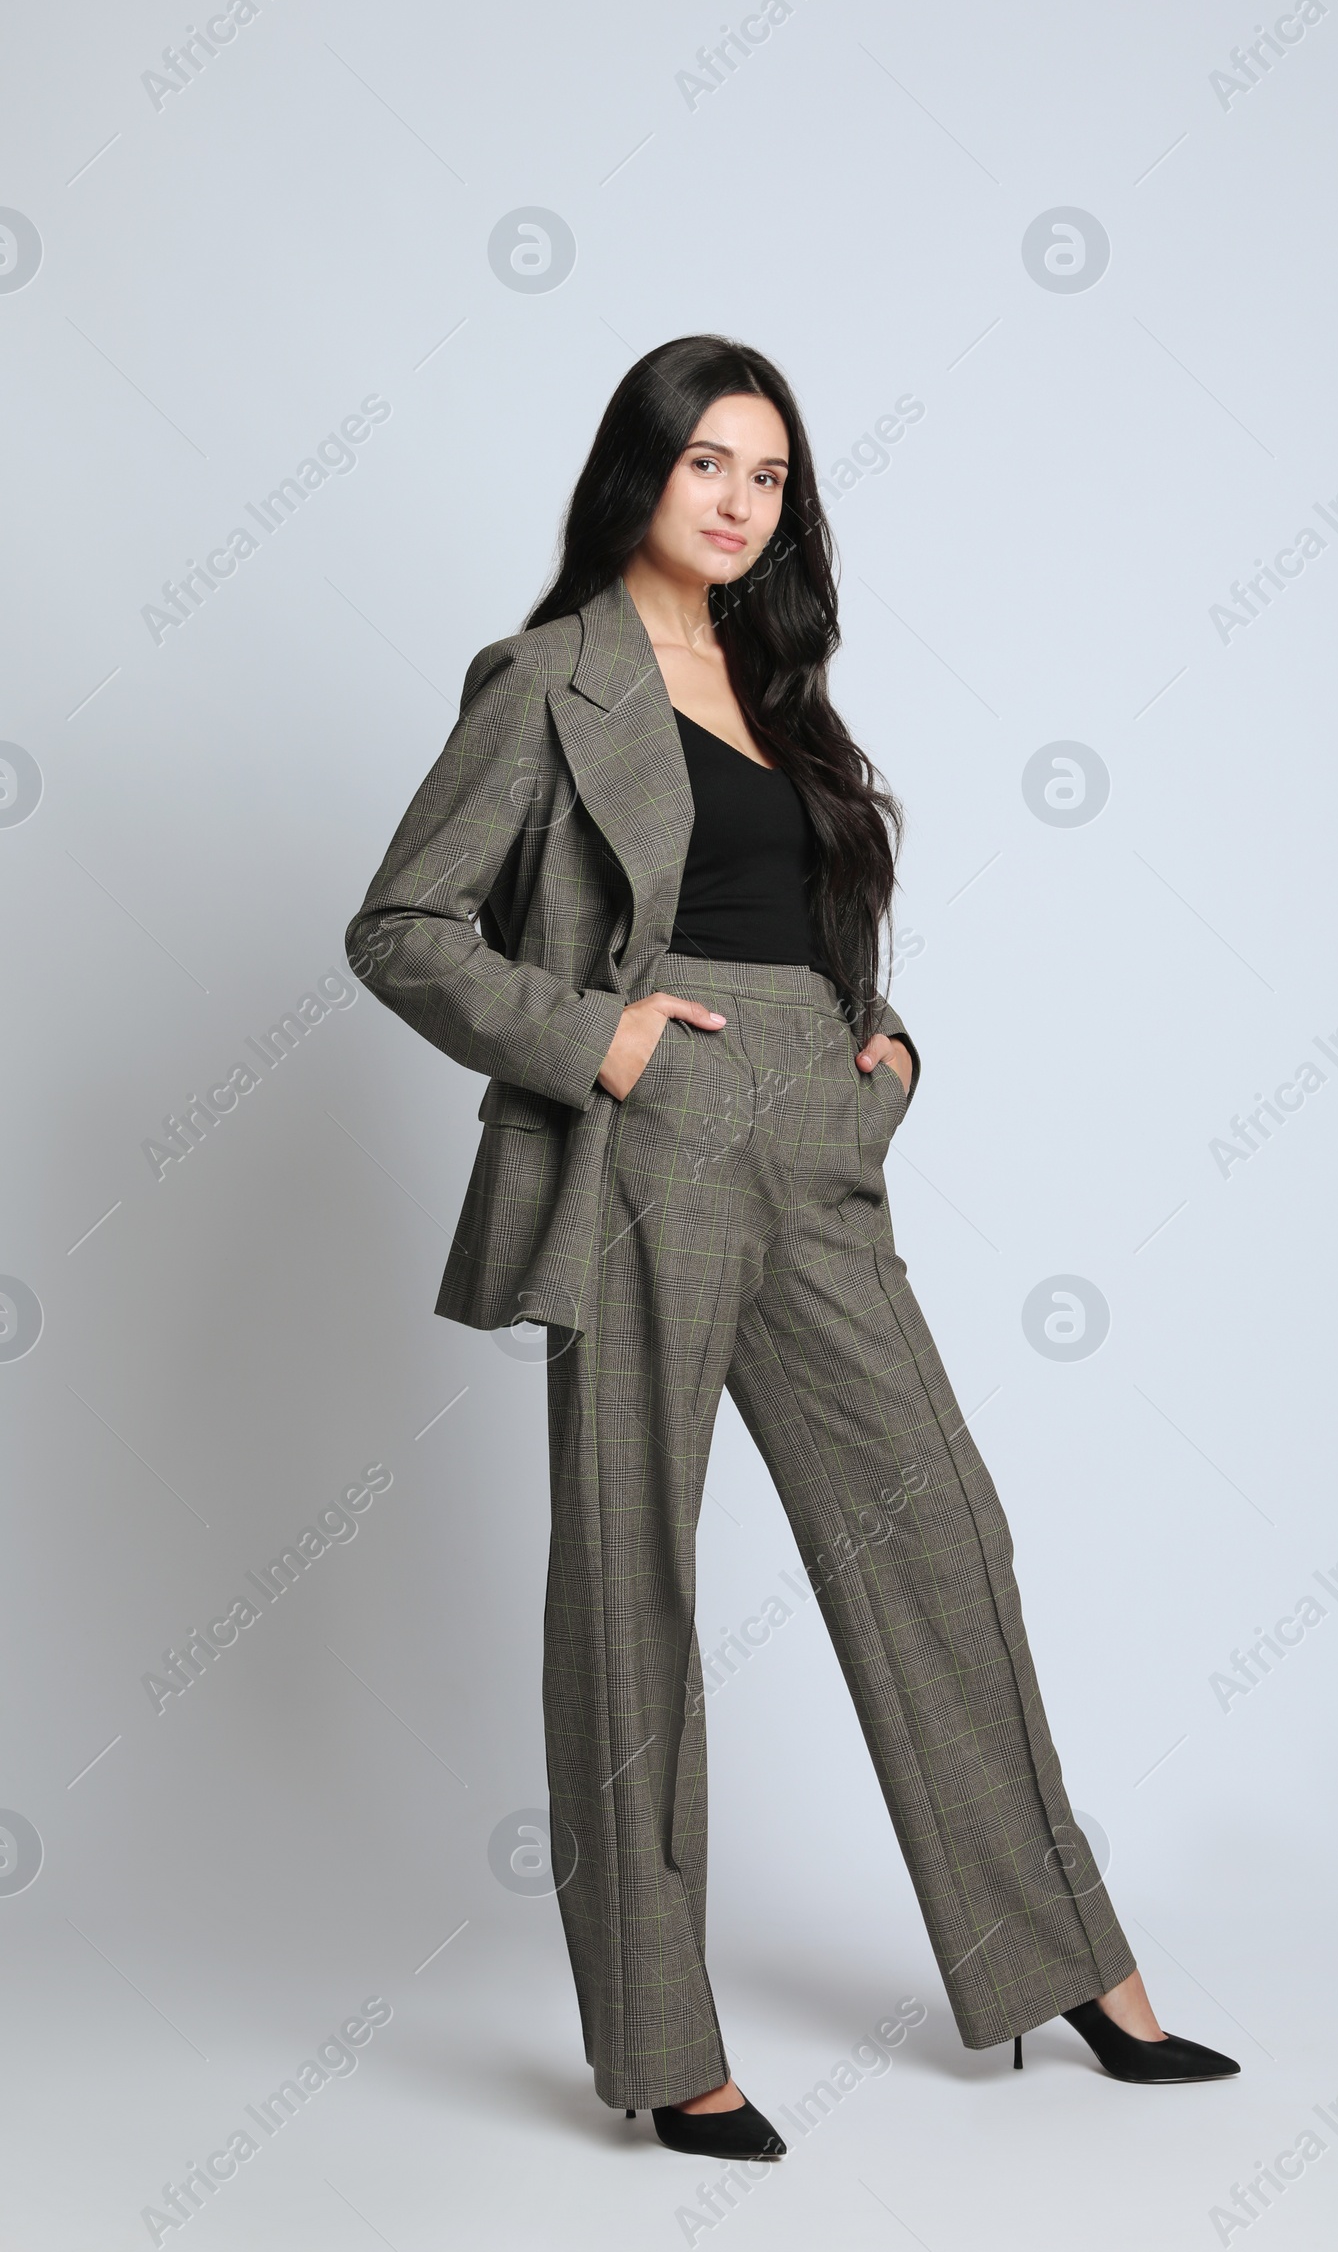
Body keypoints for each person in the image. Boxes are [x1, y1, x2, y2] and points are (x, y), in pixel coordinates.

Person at [345, 335, 1238, 2161]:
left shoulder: (777, 683)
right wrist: (593, 1039)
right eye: (708, 468)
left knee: (935, 1522)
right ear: (638, 477)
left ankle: (1062, 1955)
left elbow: (802, 907)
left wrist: (881, 1040)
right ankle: (666, 2043)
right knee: (631, 1581)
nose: (742, 503)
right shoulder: (545, 682)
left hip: (817, 1141)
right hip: (649, 1134)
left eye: (770, 475)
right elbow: (401, 927)